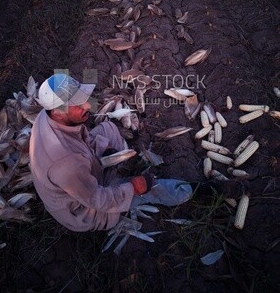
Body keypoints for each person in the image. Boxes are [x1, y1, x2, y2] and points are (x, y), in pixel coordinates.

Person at [29, 73, 247, 232]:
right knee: (151, 188)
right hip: (86, 210)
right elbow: (98, 200)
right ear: (58, 113)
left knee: (108, 129)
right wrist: (133, 187)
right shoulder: (66, 162)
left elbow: (79, 139)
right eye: (78, 105)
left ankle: (126, 164)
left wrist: (111, 153)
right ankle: (201, 191)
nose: (88, 105)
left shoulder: (47, 116)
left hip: (80, 172)